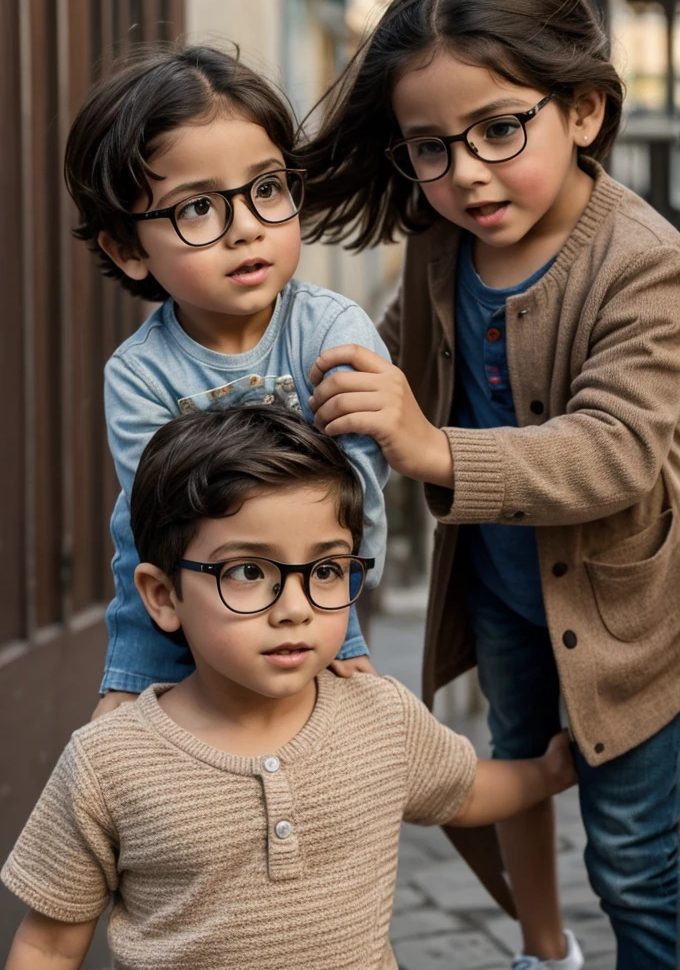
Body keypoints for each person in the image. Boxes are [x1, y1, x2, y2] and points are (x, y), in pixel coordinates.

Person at [298, 0, 680, 968]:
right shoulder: (440, 237)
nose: (464, 169)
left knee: (636, 857)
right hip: (503, 589)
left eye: (498, 129)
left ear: (584, 110)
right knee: (516, 764)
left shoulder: (640, 262)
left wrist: (426, 443)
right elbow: (401, 352)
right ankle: (544, 951)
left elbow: (615, 451)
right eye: (430, 144)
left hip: (625, 621)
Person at [1, 406, 577, 970]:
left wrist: (549, 773)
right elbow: (50, 945)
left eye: (326, 570)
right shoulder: (107, 762)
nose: (295, 610)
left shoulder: (381, 717)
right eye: (249, 571)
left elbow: (466, 789)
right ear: (162, 596)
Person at [62, 44, 389, 716]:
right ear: (128, 250)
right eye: (198, 208)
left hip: (318, 579)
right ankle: (131, 679)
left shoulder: (331, 331)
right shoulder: (140, 372)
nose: (245, 230)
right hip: (184, 593)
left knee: (357, 716)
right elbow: (161, 523)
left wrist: (343, 598)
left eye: (267, 189)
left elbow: (362, 480)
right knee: (134, 517)